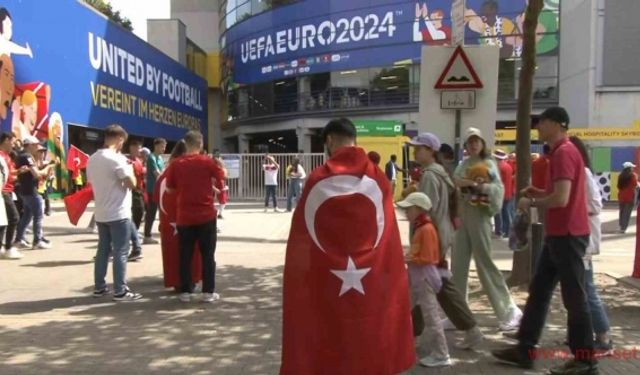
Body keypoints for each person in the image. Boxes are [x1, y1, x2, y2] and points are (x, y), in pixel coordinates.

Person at [281, 118, 414, 374]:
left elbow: (304, 236)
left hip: (328, 276)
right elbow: (387, 237)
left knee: (331, 327)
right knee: (369, 326)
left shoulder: (317, 179)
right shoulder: (378, 178)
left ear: (329, 141)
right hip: (370, 276)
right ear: (355, 140)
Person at [492, 107, 598, 374]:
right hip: (559, 235)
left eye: (542, 122)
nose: (538, 127)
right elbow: (561, 194)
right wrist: (539, 192)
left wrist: (533, 201)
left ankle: (585, 360)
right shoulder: (562, 152)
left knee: (574, 298)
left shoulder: (563, 152)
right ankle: (524, 349)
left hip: (568, 236)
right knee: (539, 293)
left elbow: (561, 199)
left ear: (556, 124)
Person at [407, 132, 483, 350]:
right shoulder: (440, 174)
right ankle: (413, 334)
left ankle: (468, 329)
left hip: (431, 239)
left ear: (431, 151)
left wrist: (420, 242)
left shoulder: (430, 176)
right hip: (439, 236)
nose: (415, 152)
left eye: (419, 148)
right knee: (426, 286)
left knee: (431, 286)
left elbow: (424, 210)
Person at [453, 127, 522, 331]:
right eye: (470, 142)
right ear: (465, 146)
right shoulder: (463, 164)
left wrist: (479, 187)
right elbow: (455, 181)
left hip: (480, 216)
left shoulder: (490, 164)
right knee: (457, 265)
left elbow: (497, 189)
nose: (473, 144)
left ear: (483, 143)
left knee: (485, 264)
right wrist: (469, 183)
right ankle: (458, 314)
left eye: (477, 141)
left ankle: (508, 310)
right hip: (463, 216)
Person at [165, 131, 225, 303]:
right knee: (208, 255)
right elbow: (221, 180)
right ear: (201, 144)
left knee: (185, 254)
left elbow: (169, 189)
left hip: (184, 216)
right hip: (206, 215)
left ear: (185, 144)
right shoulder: (208, 162)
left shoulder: (176, 164)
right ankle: (208, 292)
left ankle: (186, 291)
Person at [86, 124, 142, 301]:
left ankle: (99, 287)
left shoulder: (92, 159)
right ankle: (120, 290)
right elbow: (131, 183)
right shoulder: (116, 159)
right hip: (118, 212)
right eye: (122, 142)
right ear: (119, 139)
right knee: (121, 251)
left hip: (101, 212)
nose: (122, 146)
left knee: (103, 250)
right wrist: (131, 170)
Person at [570, 136, 613, 356]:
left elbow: (595, 205)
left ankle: (603, 337)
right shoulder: (578, 173)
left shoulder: (583, 173)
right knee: (579, 290)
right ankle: (582, 335)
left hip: (582, 241)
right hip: (575, 239)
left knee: (587, 289)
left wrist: (572, 208)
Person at [397, 192, 450, 367]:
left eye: (409, 209)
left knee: (431, 316)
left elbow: (427, 258)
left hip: (424, 276)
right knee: (404, 309)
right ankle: (404, 343)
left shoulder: (425, 228)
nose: (406, 213)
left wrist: (406, 259)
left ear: (418, 209)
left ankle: (442, 354)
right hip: (417, 275)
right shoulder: (422, 226)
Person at [155, 140, 203, 290]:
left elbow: (157, 197)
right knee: (190, 249)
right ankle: (189, 280)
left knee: (172, 249)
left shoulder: (164, 173)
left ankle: (176, 280)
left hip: (168, 219)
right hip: (188, 218)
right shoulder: (186, 172)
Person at [14, 135, 56, 250]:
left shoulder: (20, 155)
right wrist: (47, 169)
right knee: (38, 216)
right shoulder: (27, 156)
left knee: (27, 216)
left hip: (24, 190)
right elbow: (36, 174)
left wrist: (46, 165)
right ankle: (37, 240)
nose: (37, 148)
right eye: (36, 145)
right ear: (31, 145)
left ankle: (19, 238)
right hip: (31, 191)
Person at [0, 132, 22, 259]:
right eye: (12, 142)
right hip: (3, 191)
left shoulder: (7, 157)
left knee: (4, 220)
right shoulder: (1, 156)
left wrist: (19, 172)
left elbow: (9, 175)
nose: (13, 145)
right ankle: (8, 247)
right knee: (14, 218)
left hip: (8, 191)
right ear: (6, 140)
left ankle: (3, 247)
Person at [144, 138, 166, 244]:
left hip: (161, 189)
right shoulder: (151, 158)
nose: (164, 148)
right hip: (152, 189)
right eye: (162, 146)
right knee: (151, 213)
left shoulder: (161, 158)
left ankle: (162, 231)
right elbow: (157, 174)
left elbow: (163, 172)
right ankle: (147, 235)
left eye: (164, 146)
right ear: (156, 146)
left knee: (163, 212)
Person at [127, 139, 146, 261]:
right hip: (131, 192)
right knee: (132, 217)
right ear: (131, 147)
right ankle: (135, 245)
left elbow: (142, 176)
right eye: (137, 147)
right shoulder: (126, 160)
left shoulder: (139, 161)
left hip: (139, 191)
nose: (139, 150)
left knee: (138, 215)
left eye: (140, 148)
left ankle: (133, 240)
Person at [493, 149, 514, 238]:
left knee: (498, 213)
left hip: (500, 194)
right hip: (508, 192)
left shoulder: (499, 168)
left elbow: (497, 181)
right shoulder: (508, 166)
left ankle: (499, 230)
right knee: (506, 212)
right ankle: (507, 230)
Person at [617, 161, 638, 233]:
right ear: (629, 168)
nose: (633, 168)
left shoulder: (620, 175)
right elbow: (635, 184)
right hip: (630, 196)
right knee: (627, 213)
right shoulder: (633, 175)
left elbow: (618, 186)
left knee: (622, 212)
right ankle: (623, 228)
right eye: (632, 167)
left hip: (621, 196)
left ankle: (620, 226)